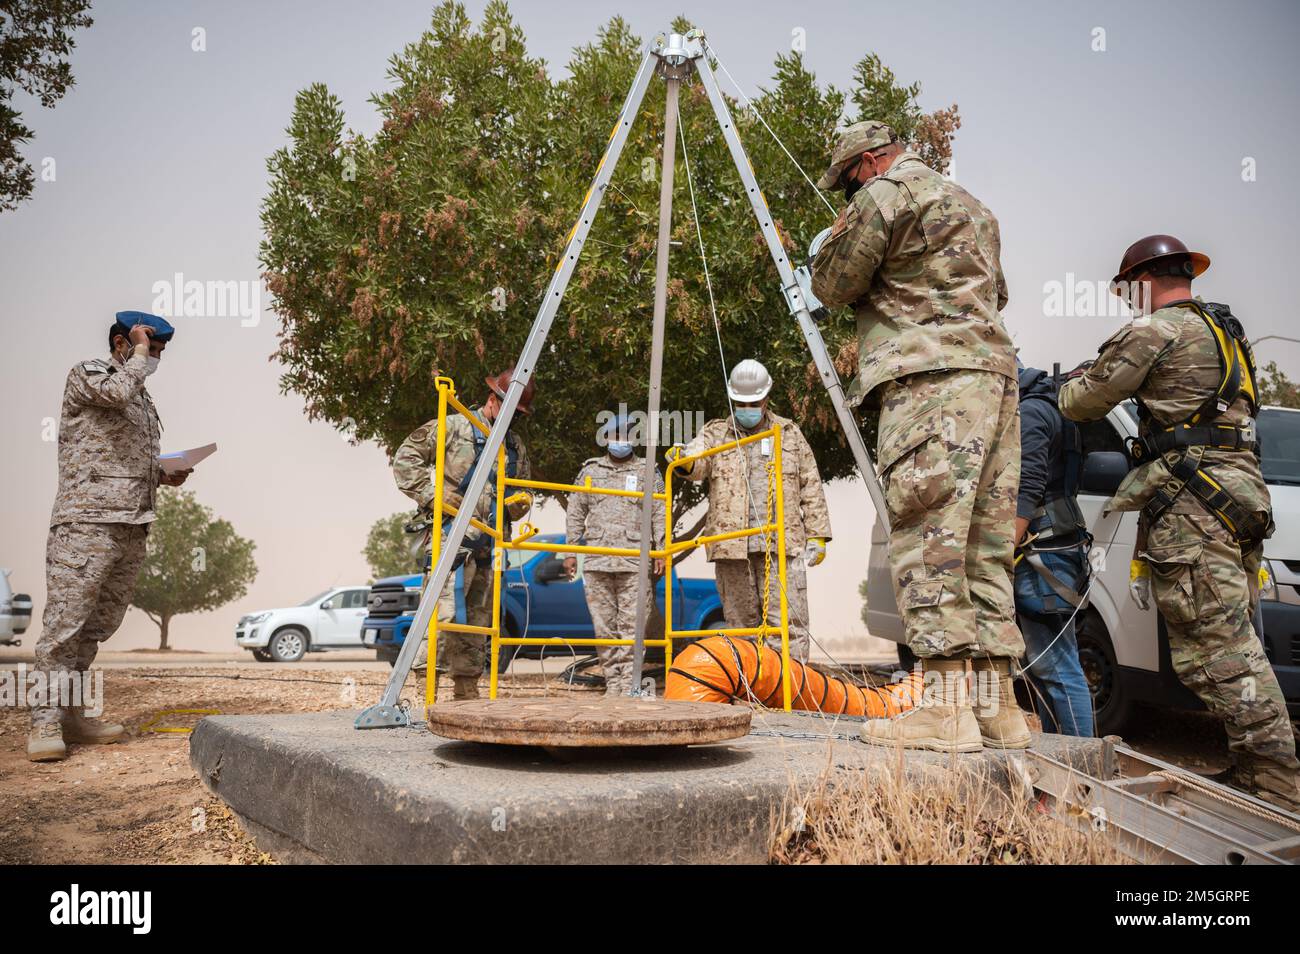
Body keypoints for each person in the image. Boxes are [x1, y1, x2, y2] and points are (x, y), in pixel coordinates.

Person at [1059, 234, 1299, 812]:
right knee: (1238, 638)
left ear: (1143, 281)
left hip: (1196, 505)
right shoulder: (1227, 333)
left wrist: (1074, 376)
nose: (1126, 302)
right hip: (1239, 497)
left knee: (1219, 649)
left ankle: (1276, 781)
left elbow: (1080, 401)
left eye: (1126, 290)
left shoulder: (1154, 332)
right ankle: (1254, 769)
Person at [810, 120, 1027, 753]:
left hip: (930, 383)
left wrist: (825, 254)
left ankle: (942, 712)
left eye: (850, 180)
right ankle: (996, 711)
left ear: (870, 162)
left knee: (928, 537)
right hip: (996, 382)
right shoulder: (975, 208)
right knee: (982, 549)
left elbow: (834, 284)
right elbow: (998, 293)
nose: (851, 192)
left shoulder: (884, 196)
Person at [30, 312, 192, 762]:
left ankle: (72, 717)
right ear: (122, 341)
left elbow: (119, 452)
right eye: (150, 347)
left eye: (158, 352)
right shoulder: (90, 375)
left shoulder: (142, 397)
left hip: (130, 523)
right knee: (65, 627)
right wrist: (137, 355)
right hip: (86, 523)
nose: (155, 358)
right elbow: (118, 391)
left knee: (95, 629)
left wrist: (161, 473)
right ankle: (43, 723)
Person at [675, 359, 830, 663]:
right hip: (733, 547)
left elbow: (810, 483)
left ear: (766, 398)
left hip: (781, 545)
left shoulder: (788, 433)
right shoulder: (716, 434)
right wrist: (684, 460)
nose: (747, 407)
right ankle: (749, 693)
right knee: (740, 627)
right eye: (741, 402)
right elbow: (696, 462)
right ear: (733, 400)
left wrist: (818, 535)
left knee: (787, 624)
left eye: (753, 402)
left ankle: (791, 690)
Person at [393, 368, 532, 700]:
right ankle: (422, 696)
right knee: (441, 616)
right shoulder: (454, 426)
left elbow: (524, 490)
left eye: (518, 414)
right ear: (492, 400)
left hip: (489, 545)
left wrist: (517, 504)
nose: (513, 418)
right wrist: (434, 496)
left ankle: (466, 694)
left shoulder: (515, 446)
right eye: (509, 409)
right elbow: (405, 460)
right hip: (450, 538)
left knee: (477, 620)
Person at [1014, 362, 1094, 737]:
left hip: (1041, 551)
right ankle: (1058, 762)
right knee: (1048, 667)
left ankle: (1081, 769)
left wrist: (1003, 551)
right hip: (1061, 545)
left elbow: (1027, 489)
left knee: (1057, 668)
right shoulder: (1059, 408)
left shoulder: (1030, 412)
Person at [564, 414, 665, 696]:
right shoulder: (590, 471)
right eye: (615, 435)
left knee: (632, 630)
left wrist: (661, 549)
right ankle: (613, 686)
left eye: (627, 435)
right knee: (604, 629)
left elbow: (659, 511)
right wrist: (571, 550)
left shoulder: (648, 471)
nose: (621, 440)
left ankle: (629, 688)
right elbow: (575, 511)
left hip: (634, 561)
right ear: (606, 438)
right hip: (597, 560)